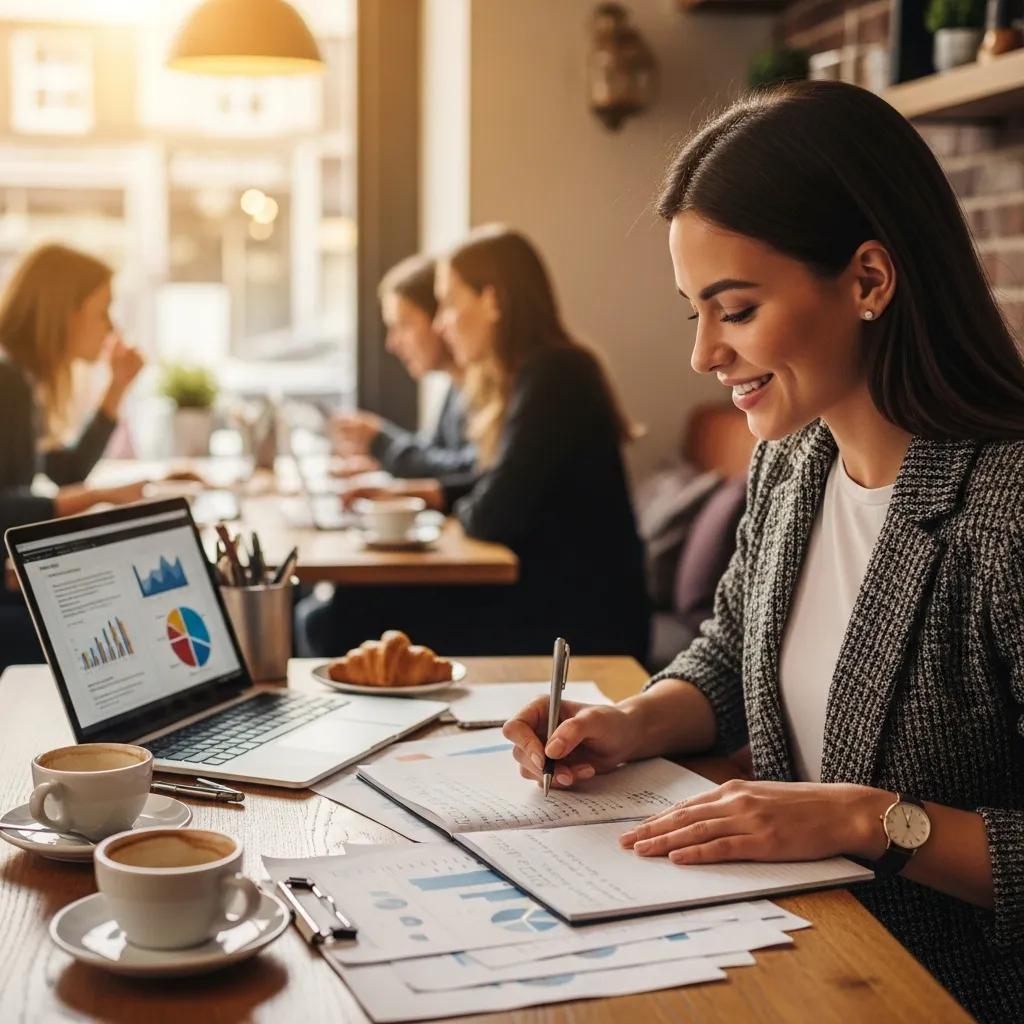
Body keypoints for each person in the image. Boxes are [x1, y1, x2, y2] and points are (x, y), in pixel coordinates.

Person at [503, 81, 1024, 1023]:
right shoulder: (795, 460)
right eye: (691, 313)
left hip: (945, 995)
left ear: (868, 280)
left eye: (735, 310)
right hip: (800, 958)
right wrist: (634, 722)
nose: (704, 353)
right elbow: (732, 652)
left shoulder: (1007, 509)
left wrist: (868, 820)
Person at [299, 226, 649, 660]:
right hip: (552, 599)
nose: (442, 323)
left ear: (493, 299)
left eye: (448, 303)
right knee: (340, 608)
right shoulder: (539, 373)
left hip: (580, 623)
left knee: (340, 616)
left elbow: (489, 515)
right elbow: (494, 483)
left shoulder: (555, 376)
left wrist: (450, 502)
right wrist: (442, 496)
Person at [0, 244, 145, 665]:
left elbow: (67, 470)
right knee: (116, 621)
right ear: (66, 312)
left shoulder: (21, 379)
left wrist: (116, 387)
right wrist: (98, 496)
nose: (110, 326)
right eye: (102, 311)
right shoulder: (6, 380)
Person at [330, 253, 476, 480]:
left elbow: (469, 471)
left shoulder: (490, 388)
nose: (392, 344)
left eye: (404, 325)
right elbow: (437, 457)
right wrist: (377, 465)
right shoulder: (456, 388)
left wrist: (381, 442)